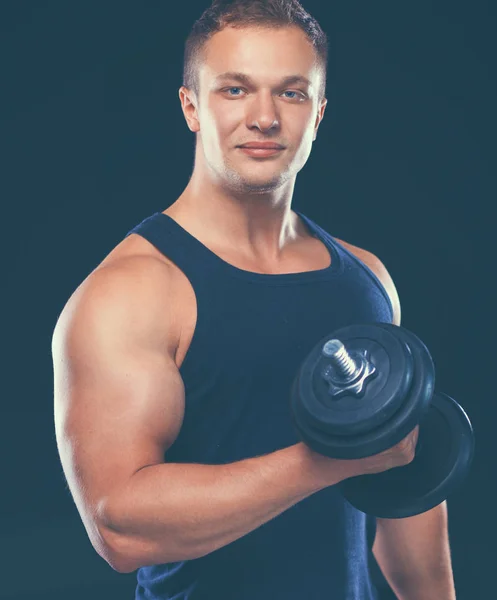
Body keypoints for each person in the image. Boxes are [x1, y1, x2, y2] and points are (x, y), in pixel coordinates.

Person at [52, 1, 456, 598]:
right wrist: (332, 460)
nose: (264, 118)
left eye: (290, 94)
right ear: (192, 105)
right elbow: (121, 527)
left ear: (318, 113)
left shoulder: (366, 280)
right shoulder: (132, 292)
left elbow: (403, 483)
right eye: (236, 89)